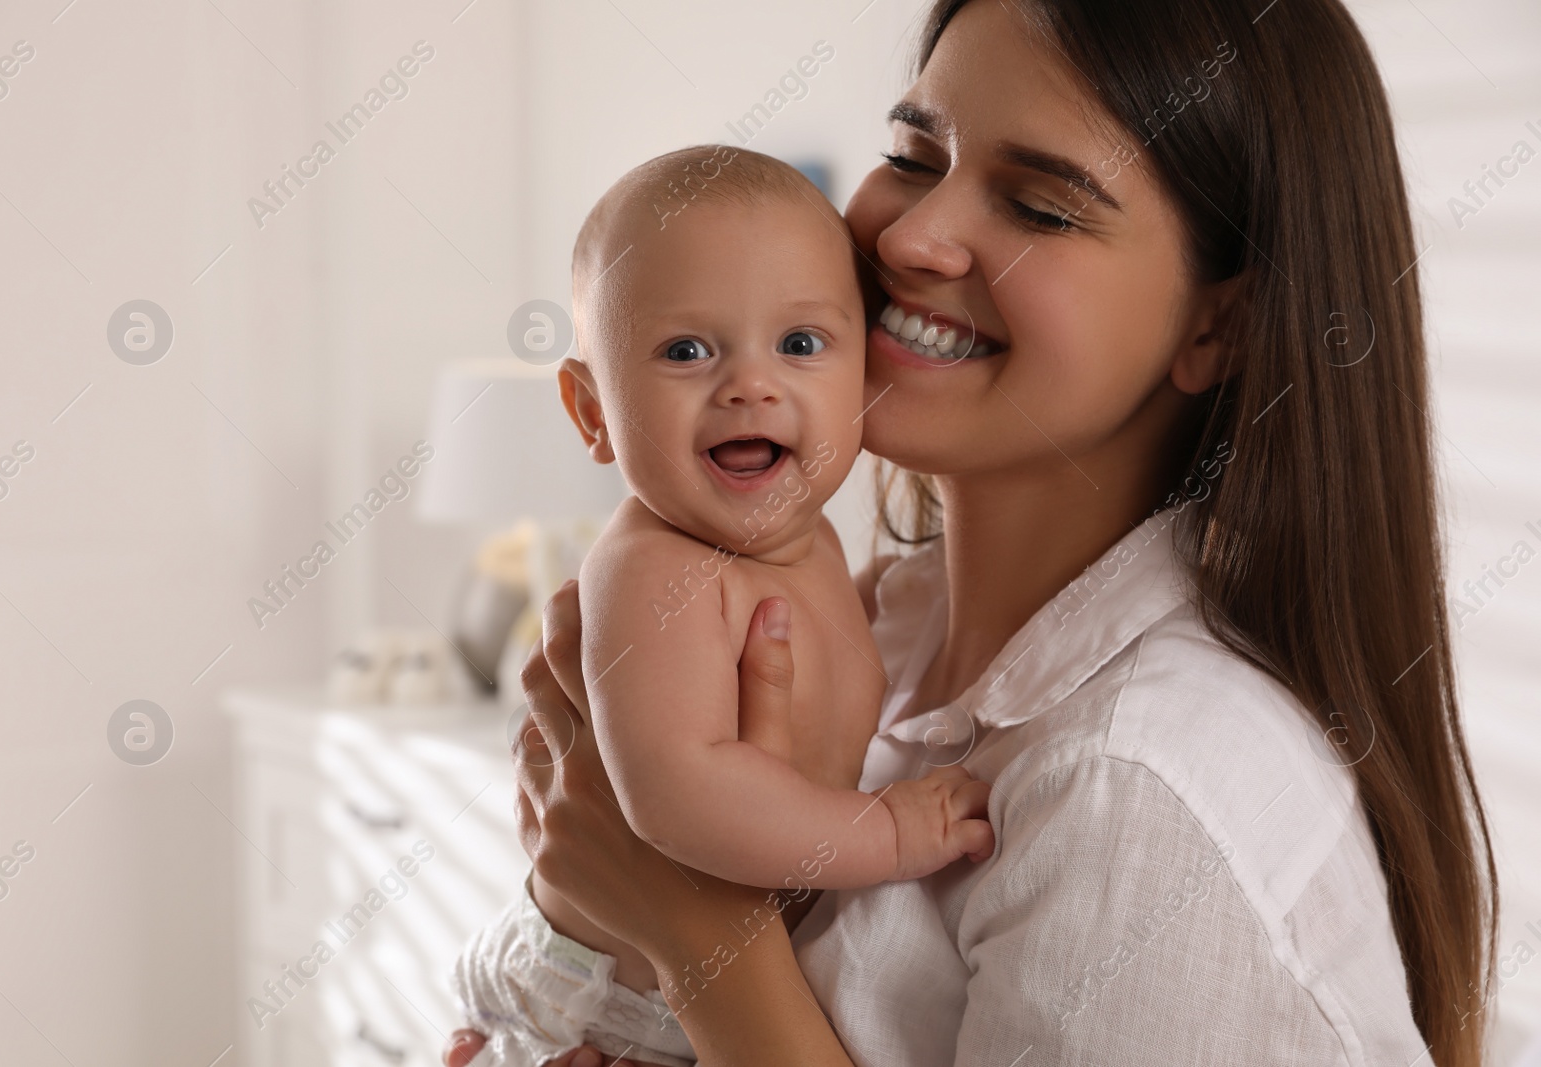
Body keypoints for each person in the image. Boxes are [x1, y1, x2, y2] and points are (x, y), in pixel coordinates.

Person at [448, 0, 1499, 1063]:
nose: (907, 235)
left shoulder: (1142, 787)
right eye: (913, 154)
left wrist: (697, 928)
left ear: (1215, 324)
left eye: (1040, 208)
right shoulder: (883, 627)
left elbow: (680, 897)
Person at [451, 146, 991, 1067]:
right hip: (601, 1004)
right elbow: (677, 798)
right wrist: (889, 833)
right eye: (685, 351)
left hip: (694, 989)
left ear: (865, 369)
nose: (749, 383)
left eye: (800, 344)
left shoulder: (822, 550)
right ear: (591, 414)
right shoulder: (657, 572)